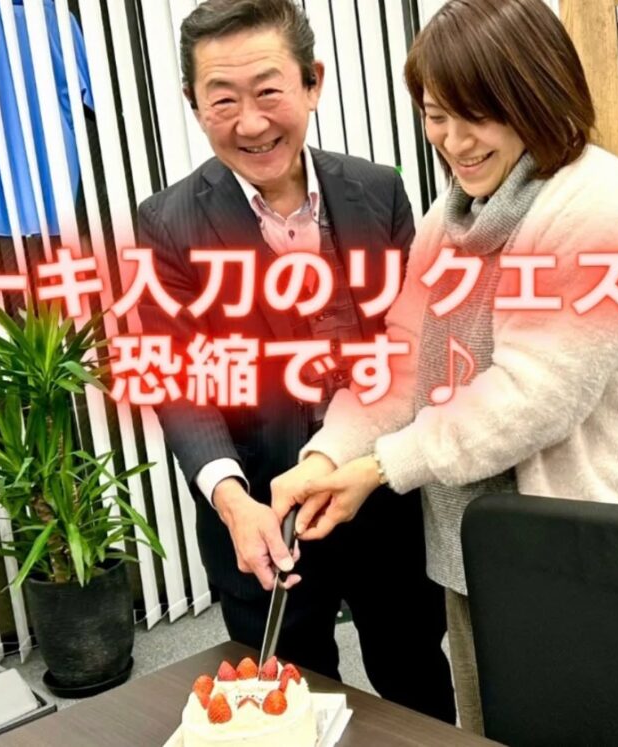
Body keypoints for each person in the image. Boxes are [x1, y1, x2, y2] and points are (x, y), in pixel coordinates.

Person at [272, 0, 618, 734]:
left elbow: (535, 394)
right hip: (479, 546)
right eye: (437, 116)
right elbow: (402, 358)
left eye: (477, 116)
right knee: (492, 720)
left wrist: (381, 466)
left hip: (591, 544)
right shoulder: (449, 218)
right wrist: (326, 454)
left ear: (535, 95)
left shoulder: (603, 203)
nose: (454, 142)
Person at [135, 0, 455, 723]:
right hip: (261, 512)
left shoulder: (378, 191)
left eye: (268, 91)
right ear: (193, 104)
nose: (250, 124)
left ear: (313, 82)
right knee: (290, 700)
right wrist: (231, 498)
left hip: (379, 492)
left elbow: (410, 345)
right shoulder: (168, 222)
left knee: (415, 678)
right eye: (223, 100)